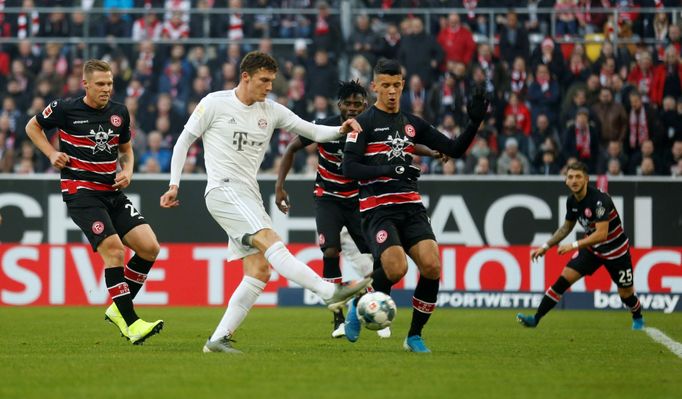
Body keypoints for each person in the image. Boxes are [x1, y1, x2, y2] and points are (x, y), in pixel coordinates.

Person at [159, 51, 372, 354]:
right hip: (223, 190)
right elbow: (183, 141)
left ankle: (217, 340)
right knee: (272, 242)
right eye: (264, 80)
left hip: (249, 194)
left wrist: (341, 129)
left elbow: (311, 131)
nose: (269, 86)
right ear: (245, 77)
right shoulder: (214, 103)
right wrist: (174, 184)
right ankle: (329, 292)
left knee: (259, 270)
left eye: (272, 80)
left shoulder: (271, 110)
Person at [341, 59, 489, 353]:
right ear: (374, 87)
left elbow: (455, 149)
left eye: (397, 85)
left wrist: (474, 122)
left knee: (432, 266)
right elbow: (349, 168)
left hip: (411, 207)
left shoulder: (413, 124)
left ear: (403, 85)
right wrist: (389, 170)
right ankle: (358, 302)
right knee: (396, 268)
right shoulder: (364, 123)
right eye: (385, 86)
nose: (392, 91)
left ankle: (414, 336)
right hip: (377, 209)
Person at [24, 59, 163, 345]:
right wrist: (51, 153)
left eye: (110, 83)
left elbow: (126, 150)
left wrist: (128, 170)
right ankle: (131, 322)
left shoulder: (119, 113)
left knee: (150, 248)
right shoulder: (64, 109)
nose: (106, 89)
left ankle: (117, 309)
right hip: (81, 193)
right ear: (85, 84)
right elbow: (32, 127)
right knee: (114, 250)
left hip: (111, 191)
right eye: (100, 84)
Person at [517, 161, 644, 330]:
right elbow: (566, 228)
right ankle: (535, 318)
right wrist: (546, 246)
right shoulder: (571, 201)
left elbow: (601, 234)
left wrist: (574, 245)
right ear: (566, 181)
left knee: (626, 294)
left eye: (578, 177)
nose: (574, 180)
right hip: (592, 251)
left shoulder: (600, 200)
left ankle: (637, 316)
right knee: (563, 280)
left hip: (617, 253)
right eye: (570, 177)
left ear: (586, 179)